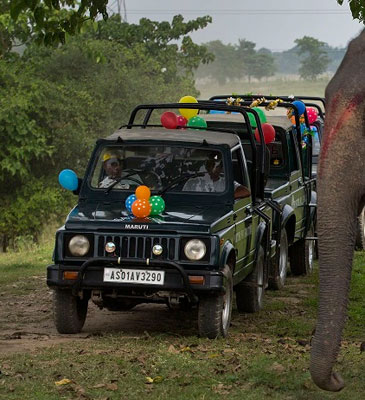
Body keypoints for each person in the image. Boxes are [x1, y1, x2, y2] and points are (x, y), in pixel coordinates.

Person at [183, 153, 250, 199]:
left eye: (217, 166)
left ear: (221, 168)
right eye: (212, 165)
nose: (214, 169)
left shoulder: (226, 183)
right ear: (207, 167)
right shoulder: (192, 182)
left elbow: (245, 191)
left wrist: (224, 197)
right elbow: (183, 199)